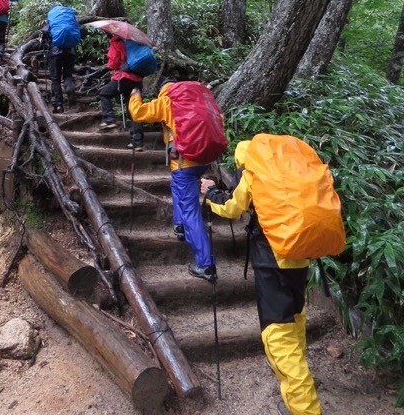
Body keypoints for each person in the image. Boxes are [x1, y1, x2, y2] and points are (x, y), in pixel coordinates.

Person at [201, 141, 322, 415]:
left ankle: (306, 408)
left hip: (272, 259)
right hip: (300, 253)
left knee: (278, 336)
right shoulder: (287, 163)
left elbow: (234, 206)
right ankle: (297, 390)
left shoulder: (253, 168)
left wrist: (211, 195)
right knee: (295, 317)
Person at [128, 80, 217, 282]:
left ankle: (206, 264)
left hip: (184, 164)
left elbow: (139, 113)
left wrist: (135, 96)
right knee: (177, 187)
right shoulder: (198, 101)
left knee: (191, 212)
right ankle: (179, 225)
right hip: (203, 160)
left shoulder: (167, 101)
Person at [98, 34, 145, 150]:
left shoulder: (116, 41)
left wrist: (112, 64)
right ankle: (137, 142)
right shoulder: (136, 41)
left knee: (104, 94)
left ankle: (109, 119)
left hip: (124, 78)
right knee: (134, 110)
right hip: (138, 80)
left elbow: (113, 63)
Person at [41, 6, 86, 113]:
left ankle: (58, 105)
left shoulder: (52, 20)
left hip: (55, 52)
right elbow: (82, 31)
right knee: (67, 75)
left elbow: (45, 32)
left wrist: (46, 41)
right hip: (70, 51)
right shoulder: (70, 20)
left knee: (55, 78)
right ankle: (70, 88)